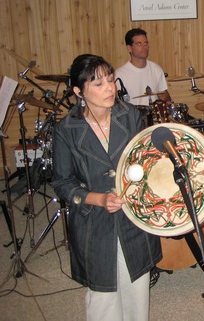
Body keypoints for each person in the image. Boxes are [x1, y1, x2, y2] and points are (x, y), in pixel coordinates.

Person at [52, 54, 162, 321]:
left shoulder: (130, 115)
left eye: (111, 80)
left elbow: (144, 161)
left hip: (132, 216)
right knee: (103, 299)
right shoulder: (66, 129)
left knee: (137, 294)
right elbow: (63, 184)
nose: (110, 88)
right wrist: (99, 199)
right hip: (93, 221)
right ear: (79, 92)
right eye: (98, 84)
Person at [115, 28, 172, 106]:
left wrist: (169, 103)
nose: (144, 47)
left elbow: (164, 96)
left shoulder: (156, 69)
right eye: (139, 44)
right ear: (129, 48)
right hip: (133, 114)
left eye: (145, 43)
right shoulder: (120, 74)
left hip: (154, 113)